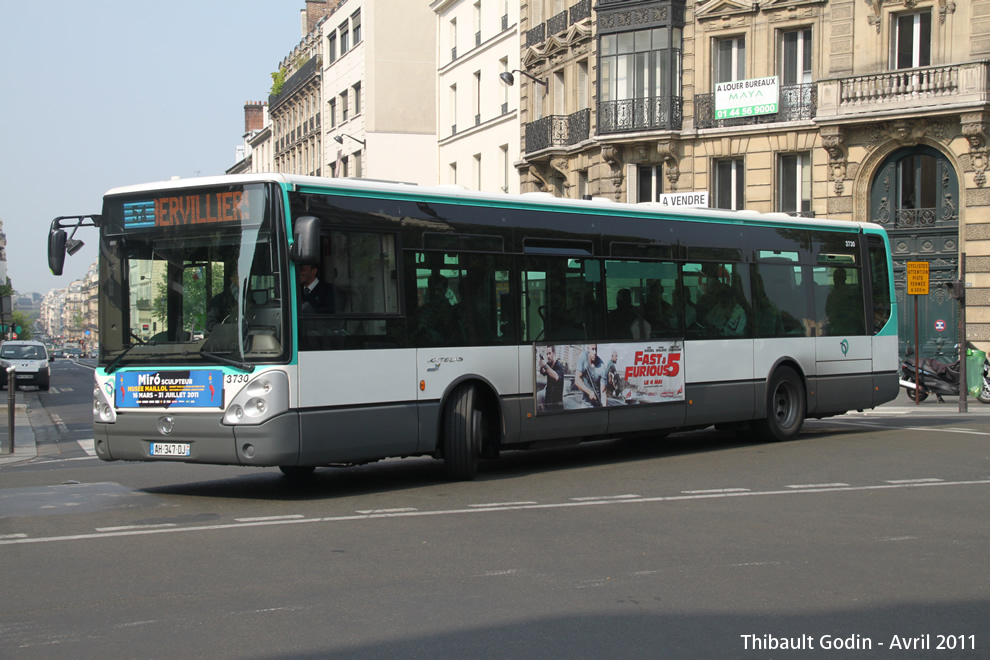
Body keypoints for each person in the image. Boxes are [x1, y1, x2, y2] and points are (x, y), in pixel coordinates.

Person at [825, 267, 863, 335]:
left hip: (851, 326)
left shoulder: (852, 293)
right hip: (836, 326)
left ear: (844, 278)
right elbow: (828, 311)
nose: (836, 279)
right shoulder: (831, 294)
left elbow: (858, 309)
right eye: (836, 277)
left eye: (839, 277)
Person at [575, 343, 607, 407]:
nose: (594, 352)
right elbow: (577, 380)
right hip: (585, 404)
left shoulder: (602, 368)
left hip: (597, 405)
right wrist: (589, 392)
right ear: (588, 349)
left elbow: (603, 392)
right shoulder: (583, 357)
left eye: (596, 349)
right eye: (592, 349)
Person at [538, 344, 566, 412]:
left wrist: (545, 366)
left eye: (550, 353)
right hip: (548, 401)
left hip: (556, 405)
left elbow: (556, 377)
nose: (548, 356)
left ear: (554, 353)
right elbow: (542, 372)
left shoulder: (559, 366)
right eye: (547, 354)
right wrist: (542, 365)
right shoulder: (549, 364)